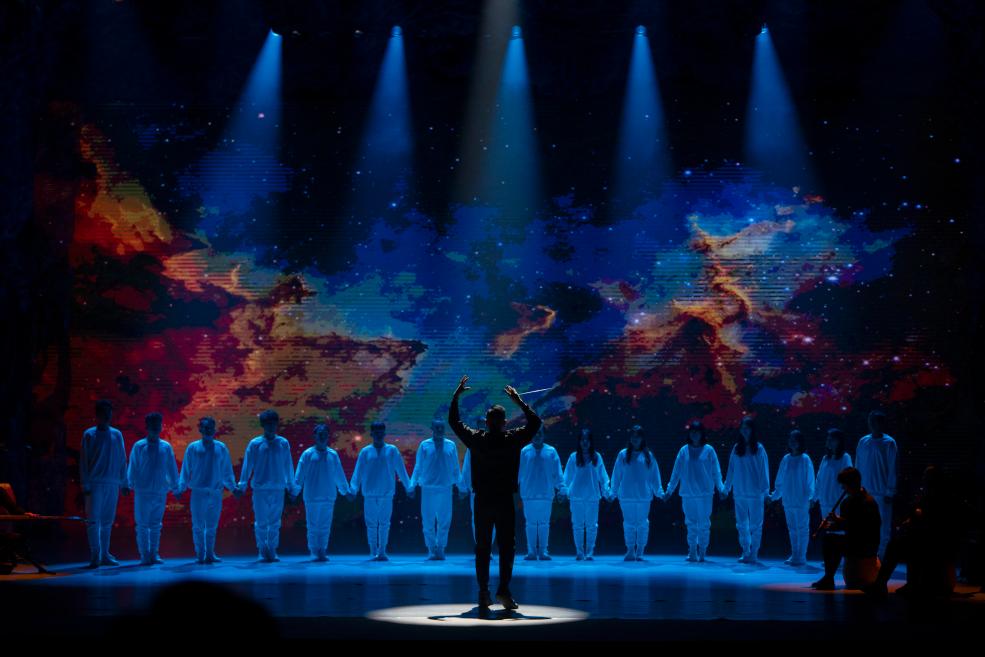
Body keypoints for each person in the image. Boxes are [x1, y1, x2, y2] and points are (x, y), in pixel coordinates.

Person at [448, 375, 542, 611]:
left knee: (483, 547)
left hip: (483, 500)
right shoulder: (512, 438)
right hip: (503, 500)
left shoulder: (477, 439)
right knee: (506, 547)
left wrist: (456, 397)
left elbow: (454, 422)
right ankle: (503, 590)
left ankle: (484, 592)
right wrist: (519, 402)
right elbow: (535, 423)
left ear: (487, 422)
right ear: (504, 422)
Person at [865, 466, 961, 598]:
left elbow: (935, 521)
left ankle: (886, 583)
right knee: (899, 543)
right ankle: (889, 583)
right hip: (924, 538)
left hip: (935, 541)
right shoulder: (928, 496)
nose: (923, 480)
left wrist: (916, 520)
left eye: (926, 477)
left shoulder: (941, 498)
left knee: (899, 545)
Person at [237, 409, 299, 563]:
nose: (271, 426)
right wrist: (242, 485)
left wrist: (291, 487)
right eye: (268, 424)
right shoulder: (255, 444)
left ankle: (272, 549)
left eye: (273, 423)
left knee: (275, 522)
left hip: (278, 488)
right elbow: (247, 466)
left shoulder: (283, 443)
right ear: (263, 425)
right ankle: (262, 550)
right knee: (261, 521)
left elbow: (288, 466)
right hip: (260, 489)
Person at [350, 421, 414, 561]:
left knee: (384, 524)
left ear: (384, 433)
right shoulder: (365, 451)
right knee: (371, 524)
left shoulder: (392, 450)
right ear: (372, 434)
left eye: (381, 432)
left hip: (386, 493)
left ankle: (382, 550)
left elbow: (401, 470)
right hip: (370, 494)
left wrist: (409, 487)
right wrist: (353, 490)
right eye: (376, 432)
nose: (379, 434)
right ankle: (373, 550)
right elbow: (358, 473)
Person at [177, 416, 237, 564]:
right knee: (198, 525)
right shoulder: (193, 448)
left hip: (215, 492)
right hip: (198, 492)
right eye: (205, 427)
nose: (208, 430)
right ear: (200, 429)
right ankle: (200, 554)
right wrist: (181, 488)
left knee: (211, 525)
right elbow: (186, 470)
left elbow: (226, 471)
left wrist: (233, 488)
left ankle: (209, 553)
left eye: (210, 427)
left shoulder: (221, 448)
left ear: (214, 429)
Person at [811, 467, 881, 590]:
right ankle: (828, 577)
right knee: (829, 539)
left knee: (832, 542)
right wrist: (833, 525)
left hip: (866, 545)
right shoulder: (847, 502)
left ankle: (828, 578)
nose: (843, 488)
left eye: (844, 485)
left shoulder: (868, 502)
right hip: (855, 541)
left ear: (853, 484)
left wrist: (840, 522)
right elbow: (848, 526)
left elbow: (863, 529)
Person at [665, 420, 725, 562]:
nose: (695, 434)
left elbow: (716, 471)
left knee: (704, 523)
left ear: (702, 433)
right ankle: (692, 550)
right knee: (691, 523)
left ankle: (702, 551)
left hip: (705, 494)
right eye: (692, 432)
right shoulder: (684, 450)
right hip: (688, 493)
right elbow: (676, 472)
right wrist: (669, 490)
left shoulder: (709, 450)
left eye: (697, 432)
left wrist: (721, 488)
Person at [80, 399, 129, 568]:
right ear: (98, 414)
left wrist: (124, 482)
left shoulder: (116, 434)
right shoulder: (89, 434)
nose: (107, 416)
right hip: (95, 483)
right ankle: (95, 554)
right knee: (93, 520)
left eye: (109, 412)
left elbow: (122, 459)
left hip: (112, 483)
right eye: (104, 412)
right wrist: (85, 484)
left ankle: (105, 554)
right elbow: (83, 461)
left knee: (107, 521)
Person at [127, 412, 179, 565]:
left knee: (156, 524)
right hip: (142, 491)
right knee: (142, 525)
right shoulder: (139, 446)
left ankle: (154, 554)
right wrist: (128, 485)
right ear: (147, 426)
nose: (156, 427)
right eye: (153, 424)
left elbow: (172, 469)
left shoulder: (166, 447)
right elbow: (133, 467)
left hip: (160, 491)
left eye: (158, 424)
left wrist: (175, 488)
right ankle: (144, 555)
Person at [294, 423, 351, 561]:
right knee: (313, 525)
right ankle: (314, 551)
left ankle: (322, 550)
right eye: (320, 434)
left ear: (328, 436)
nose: (322, 437)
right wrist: (295, 490)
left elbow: (339, 475)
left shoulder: (333, 455)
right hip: (312, 496)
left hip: (328, 496)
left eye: (325, 434)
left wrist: (345, 491)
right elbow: (299, 475)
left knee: (325, 525)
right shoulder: (307, 454)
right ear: (315, 436)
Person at [610, 425, 664, 561]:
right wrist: (613, 492)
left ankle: (640, 550)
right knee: (628, 523)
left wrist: (660, 492)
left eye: (638, 436)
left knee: (642, 524)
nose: (635, 439)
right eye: (633, 436)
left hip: (643, 496)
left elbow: (655, 477)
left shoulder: (648, 456)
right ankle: (630, 550)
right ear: (630, 438)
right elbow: (616, 475)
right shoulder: (623, 455)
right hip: (626, 496)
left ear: (642, 438)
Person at [410, 419, 461, 560]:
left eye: (442, 427)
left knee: (444, 520)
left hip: (445, 488)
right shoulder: (424, 445)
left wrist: (461, 486)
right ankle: (431, 549)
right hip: (428, 489)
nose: (439, 430)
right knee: (428, 520)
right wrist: (412, 485)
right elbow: (418, 467)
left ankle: (441, 548)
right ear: (432, 428)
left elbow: (456, 468)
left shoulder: (451, 445)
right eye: (437, 427)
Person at [723, 416, 770, 564]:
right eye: (743, 428)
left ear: (752, 430)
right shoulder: (737, 448)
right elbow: (731, 469)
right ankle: (746, 550)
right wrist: (726, 488)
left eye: (747, 428)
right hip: (740, 492)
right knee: (742, 523)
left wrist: (765, 491)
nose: (745, 430)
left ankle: (754, 552)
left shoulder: (759, 449)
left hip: (755, 493)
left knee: (756, 524)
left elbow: (764, 470)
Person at [518, 427, 566, 561]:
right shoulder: (525, 451)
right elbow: (518, 472)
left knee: (544, 524)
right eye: (535, 433)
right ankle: (531, 551)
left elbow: (557, 472)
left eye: (539, 433)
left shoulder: (551, 451)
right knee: (530, 524)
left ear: (544, 435)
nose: (537, 436)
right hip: (529, 494)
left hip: (546, 493)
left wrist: (562, 488)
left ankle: (543, 551)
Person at [563, 428, 610, 560]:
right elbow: (567, 477)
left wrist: (607, 492)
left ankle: (589, 552)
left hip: (592, 496)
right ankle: (579, 551)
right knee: (577, 525)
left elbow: (603, 477)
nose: (585, 442)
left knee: (591, 526)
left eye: (587, 440)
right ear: (579, 441)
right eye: (582, 440)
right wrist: (563, 491)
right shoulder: (573, 457)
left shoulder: (597, 457)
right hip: (576, 496)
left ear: (591, 442)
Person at [770, 429, 815, 566]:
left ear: (800, 442)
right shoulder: (786, 459)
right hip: (789, 500)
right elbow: (780, 480)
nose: (793, 443)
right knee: (792, 529)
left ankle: (802, 555)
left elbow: (810, 480)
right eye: (791, 440)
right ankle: (795, 553)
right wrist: (774, 496)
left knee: (802, 528)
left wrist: (810, 497)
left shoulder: (805, 459)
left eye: (795, 440)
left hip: (801, 501)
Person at [855, 410, 897, 557]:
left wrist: (890, 491)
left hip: (882, 492)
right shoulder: (863, 441)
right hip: (865, 491)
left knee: (883, 526)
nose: (872, 424)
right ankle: (867, 554)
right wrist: (857, 488)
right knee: (865, 525)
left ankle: (881, 556)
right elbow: (858, 465)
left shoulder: (889, 442)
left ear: (881, 423)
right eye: (871, 421)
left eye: (875, 421)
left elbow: (893, 467)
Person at [812, 429, 853, 528]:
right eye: (828, 439)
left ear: (838, 441)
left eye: (831, 439)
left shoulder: (845, 458)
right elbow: (819, 480)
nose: (828, 442)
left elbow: (849, 480)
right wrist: (814, 498)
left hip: (838, 504)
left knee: (839, 532)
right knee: (828, 531)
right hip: (825, 503)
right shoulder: (825, 459)